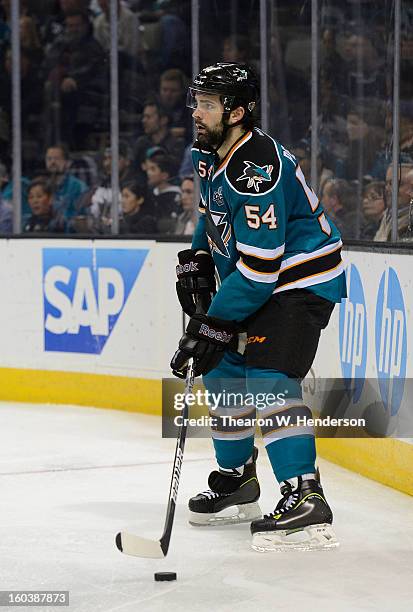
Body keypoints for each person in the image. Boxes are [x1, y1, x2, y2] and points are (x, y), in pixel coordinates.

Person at [170, 62, 346, 552]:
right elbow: (210, 214)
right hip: (254, 278)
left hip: (299, 281)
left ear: (239, 111)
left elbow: (262, 268)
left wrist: (210, 323)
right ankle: (239, 479)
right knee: (223, 370)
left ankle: (305, 495)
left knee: (268, 379)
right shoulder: (208, 151)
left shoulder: (257, 170)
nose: (197, 113)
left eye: (208, 104)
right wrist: (198, 256)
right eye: (197, 101)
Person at [43, 144, 87, 220]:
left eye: (57, 158)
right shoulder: (43, 185)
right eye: (49, 159)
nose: (52, 162)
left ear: (67, 162)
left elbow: (83, 216)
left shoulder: (78, 186)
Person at [144, 150, 180, 232]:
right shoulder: (151, 192)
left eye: (153, 169)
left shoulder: (175, 196)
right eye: (148, 169)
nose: (148, 173)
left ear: (164, 175)